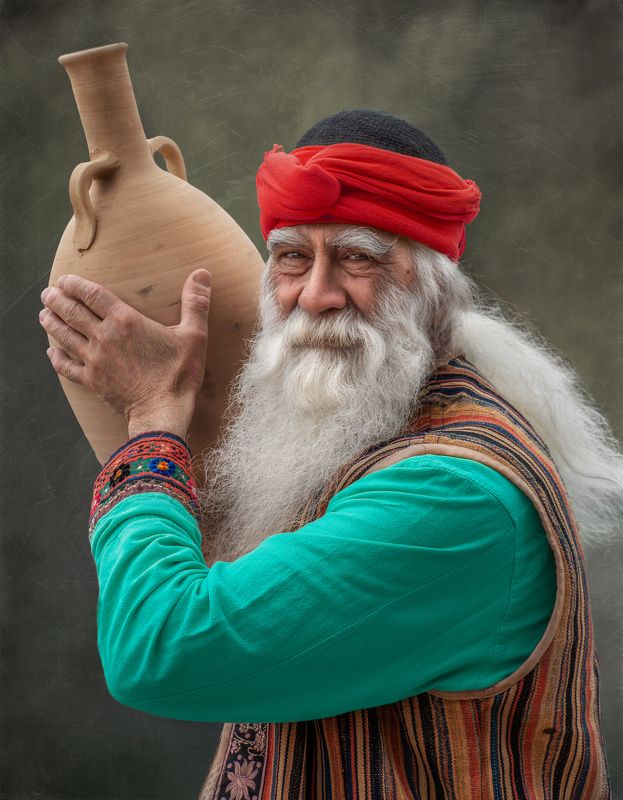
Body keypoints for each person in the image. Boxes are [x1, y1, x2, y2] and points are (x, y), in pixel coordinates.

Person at [38, 110, 618, 799]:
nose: (314, 294)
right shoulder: (355, 436)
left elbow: (162, 649)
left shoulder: (455, 497)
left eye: (357, 257)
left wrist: (151, 419)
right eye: (291, 257)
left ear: (432, 288)